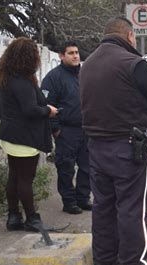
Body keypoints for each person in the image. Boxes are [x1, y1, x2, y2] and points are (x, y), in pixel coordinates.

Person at [79, 17, 147, 265]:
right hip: (128, 148)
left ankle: (104, 260)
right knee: (131, 207)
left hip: (96, 147)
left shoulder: (88, 64)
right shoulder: (134, 63)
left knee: (103, 206)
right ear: (130, 35)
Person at [0, 37, 58, 231]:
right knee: (25, 179)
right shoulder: (22, 82)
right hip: (24, 138)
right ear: (28, 57)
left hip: (10, 136)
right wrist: (48, 110)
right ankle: (32, 219)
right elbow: (30, 110)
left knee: (14, 176)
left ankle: (14, 217)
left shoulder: (8, 76)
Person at [41, 41, 91, 215]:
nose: (76, 56)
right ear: (62, 56)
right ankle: (69, 202)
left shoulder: (85, 74)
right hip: (66, 130)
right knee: (66, 168)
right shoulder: (53, 77)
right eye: (70, 53)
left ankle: (83, 198)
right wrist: (56, 129)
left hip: (86, 129)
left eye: (77, 52)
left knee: (87, 167)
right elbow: (46, 104)